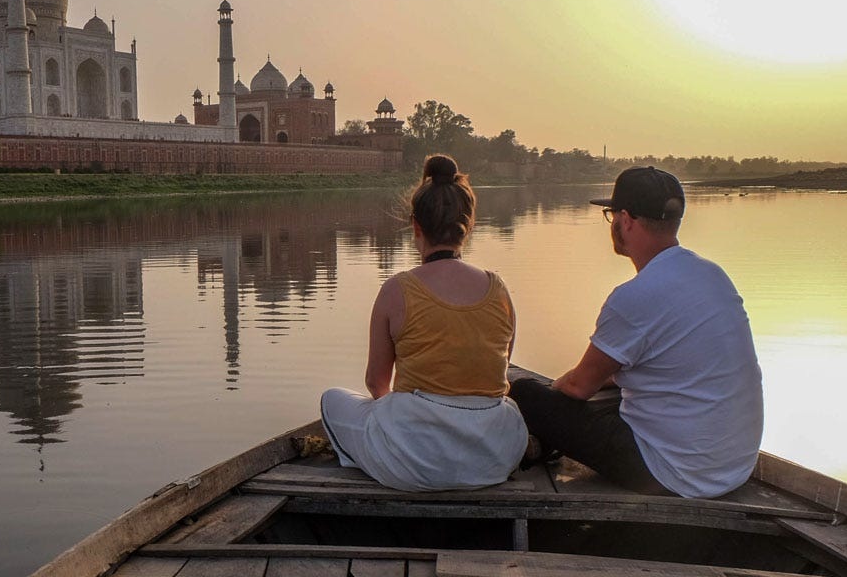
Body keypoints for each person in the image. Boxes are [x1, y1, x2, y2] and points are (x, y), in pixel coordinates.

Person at [510, 166, 763, 498]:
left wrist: (551, 395)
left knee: (526, 394)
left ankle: (539, 444)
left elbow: (578, 387)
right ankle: (545, 444)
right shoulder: (713, 275)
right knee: (613, 392)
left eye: (611, 215)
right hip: (734, 466)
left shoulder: (634, 297)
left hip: (671, 473)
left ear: (626, 220)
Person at [320, 154, 528, 491]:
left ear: (416, 226)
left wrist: (400, 419)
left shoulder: (396, 290)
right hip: (495, 458)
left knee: (332, 400)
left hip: (414, 463)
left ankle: (371, 460)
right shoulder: (498, 289)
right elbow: (499, 376)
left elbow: (376, 383)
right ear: (468, 224)